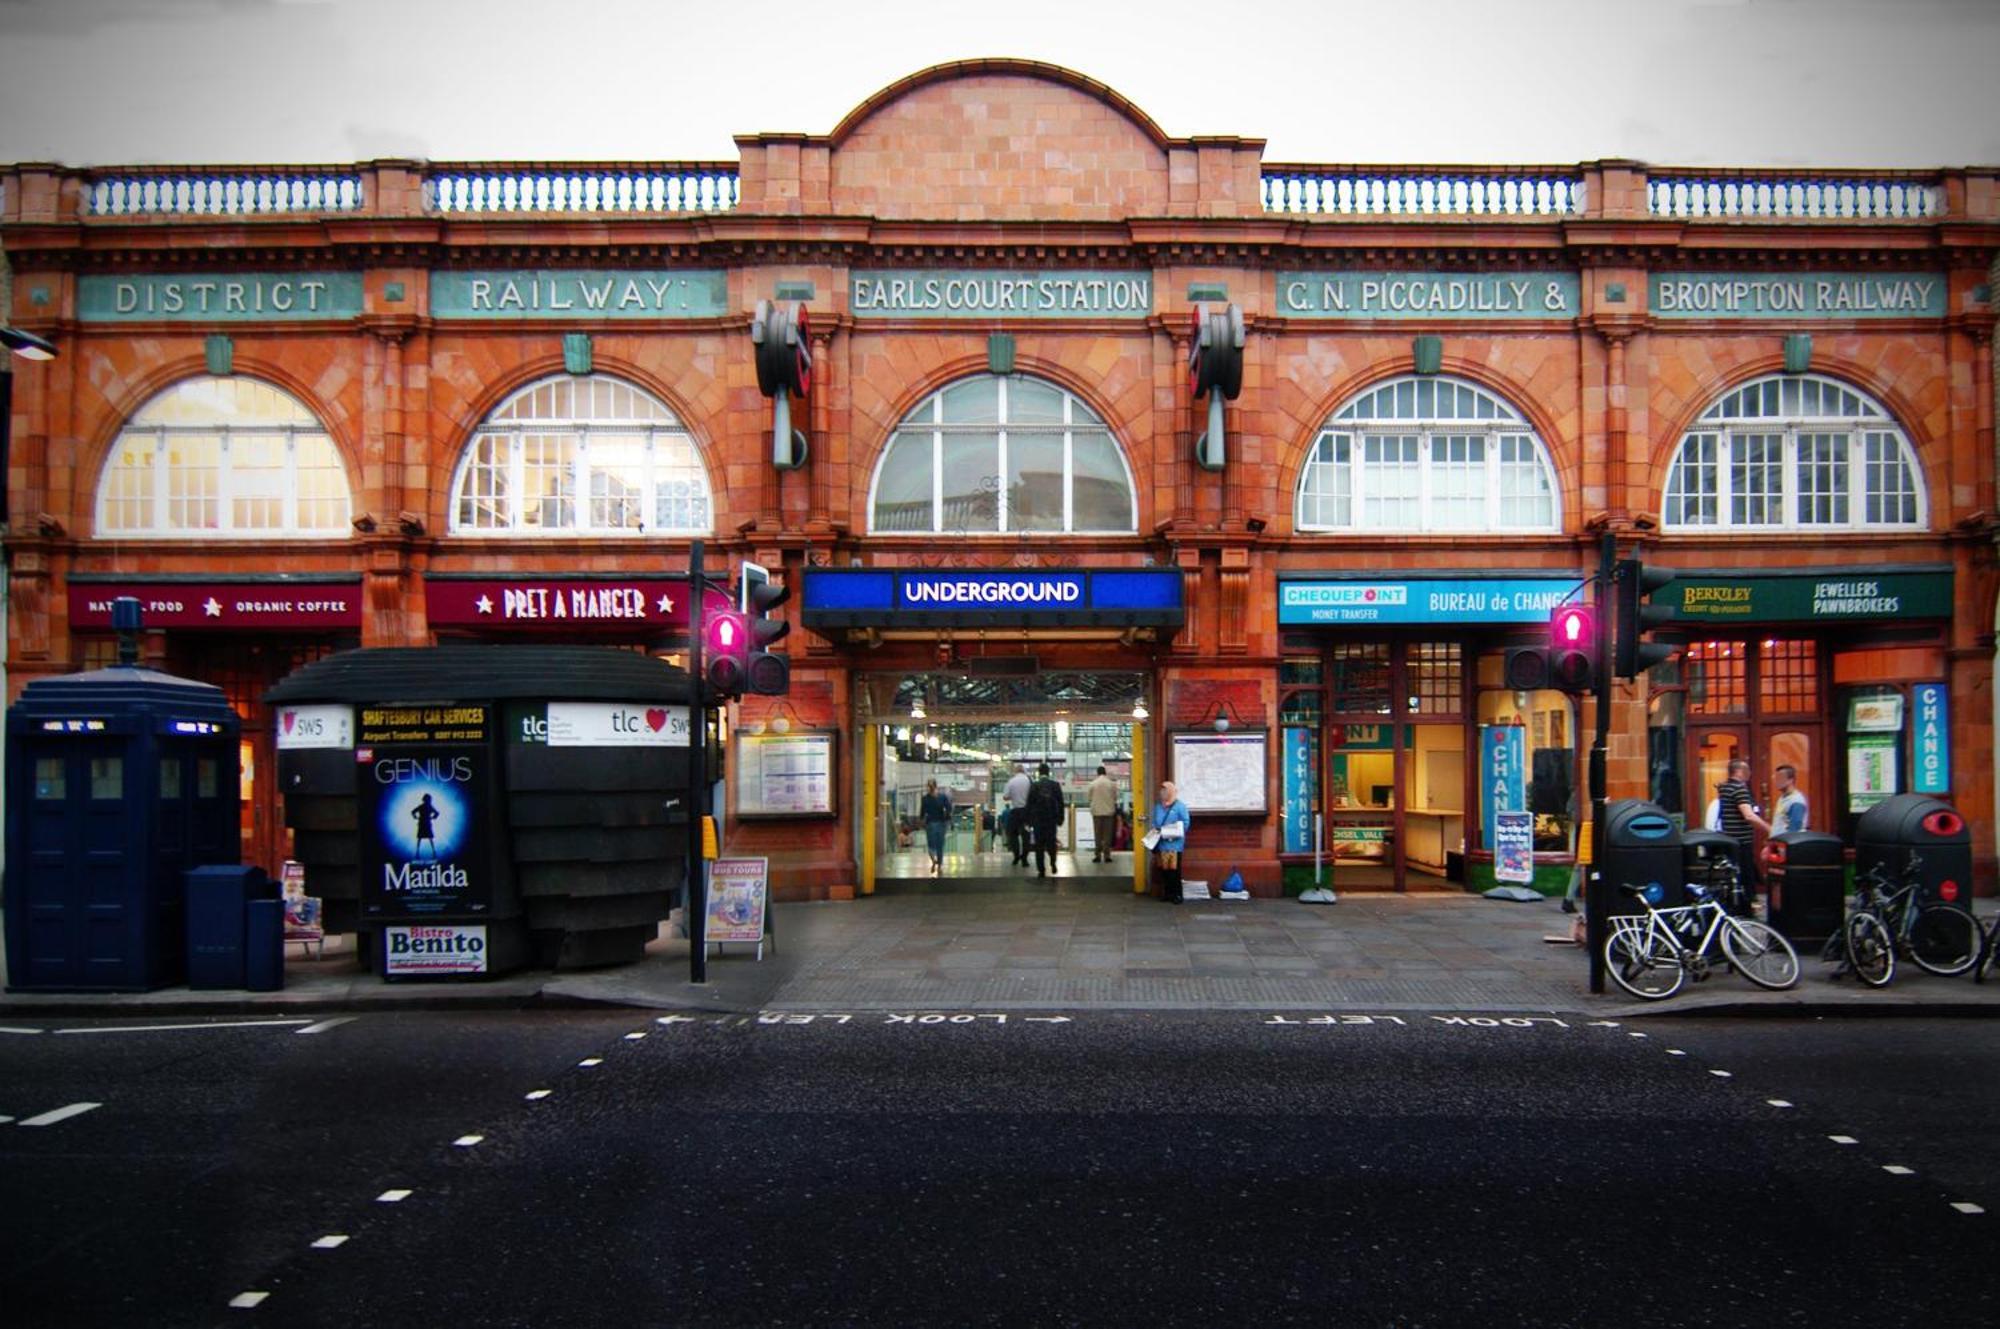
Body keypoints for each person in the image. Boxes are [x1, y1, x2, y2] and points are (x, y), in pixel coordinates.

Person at [1715, 758, 1771, 914]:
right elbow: (1749, 815)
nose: (1750, 774)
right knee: (1745, 874)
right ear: (1740, 772)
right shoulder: (1740, 789)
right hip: (1742, 840)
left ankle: (1739, 905)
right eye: (1747, 771)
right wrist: (1769, 829)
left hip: (1729, 838)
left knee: (1737, 874)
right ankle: (1746, 908)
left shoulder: (1724, 788)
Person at [1150, 779, 1190, 904]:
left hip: (1174, 844)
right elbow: (1155, 822)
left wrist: (1174, 832)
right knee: (1164, 870)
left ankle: (1177, 894)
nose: (1162, 792)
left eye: (1165, 790)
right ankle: (1167, 893)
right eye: (1161, 790)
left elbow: (1186, 822)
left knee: (1175, 871)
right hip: (1162, 843)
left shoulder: (1179, 806)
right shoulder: (1158, 806)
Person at [1026, 761, 1066, 879]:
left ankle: (1041, 870)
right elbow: (1060, 803)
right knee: (1051, 843)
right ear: (1049, 772)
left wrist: (1029, 820)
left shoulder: (1034, 785)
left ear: (1039, 773)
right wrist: (1060, 818)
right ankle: (1053, 862)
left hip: (1038, 820)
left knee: (1039, 845)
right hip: (1051, 820)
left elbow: (1030, 804)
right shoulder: (1055, 785)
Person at [920, 779, 952, 876]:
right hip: (941, 823)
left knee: (931, 845)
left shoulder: (925, 798)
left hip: (930, 824)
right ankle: (939, 865)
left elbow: (922, 812)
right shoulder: (942, 797)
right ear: (936, 786)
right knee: (940, 845)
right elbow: (949, 808)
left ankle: (934, 861)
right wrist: (947, 816)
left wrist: (921, 821)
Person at [1087, 765, 1118, 863]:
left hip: (1096, 812)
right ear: (1105, 773)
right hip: (1109, 812)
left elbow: (1090, 798)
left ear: (1097, 773)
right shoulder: (1111, 784)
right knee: (1107, 835)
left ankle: (1097, 855)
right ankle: (1107, 856)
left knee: (1098, 835)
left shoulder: (1092, 784)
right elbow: (1115, 797)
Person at [1003, 763, 1031, 866]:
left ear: (1015, 771)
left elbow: (1005, 797)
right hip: (1026, 812)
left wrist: (1014, 797)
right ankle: (1024, 859)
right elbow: (1032, 796)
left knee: (1012, 835)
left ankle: (1016, 856)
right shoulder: (1029, 781)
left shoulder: (1011, 781)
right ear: (1023, 771)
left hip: (1015, 812)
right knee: (1026, 836)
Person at [1772, 763, 1808, 832]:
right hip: (1778, 841)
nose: (1776, 781)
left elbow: (1794, 830)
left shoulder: (1796, 801)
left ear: (1790, 780)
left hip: (1789, 841)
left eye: (1780, 778)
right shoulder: (1782, 798)